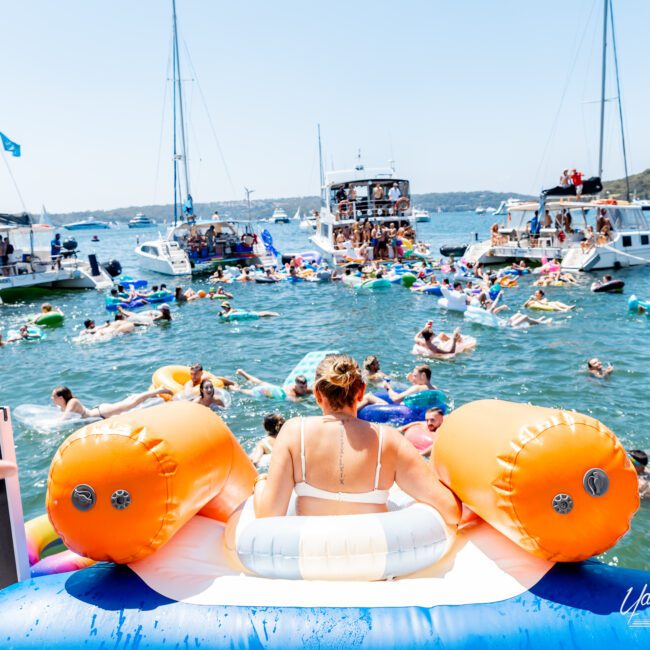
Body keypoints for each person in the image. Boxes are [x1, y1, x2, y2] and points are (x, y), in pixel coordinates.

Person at [252, 354, 461, 525]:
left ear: (317, 394)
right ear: (361, 392)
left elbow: (268, 518)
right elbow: (450, 511)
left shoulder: (292, 432)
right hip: (377, 565)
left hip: (312, 560)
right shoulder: (390, 440)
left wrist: (261, 481)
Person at [51, 385, 172, 420]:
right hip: (98, 410)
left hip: (101, 413)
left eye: (53, 396)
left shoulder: (72, 402)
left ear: (61, 398)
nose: (52, 398)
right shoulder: (64, 406)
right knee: (127, 402)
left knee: (130, 404)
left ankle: (158, 390)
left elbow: (64, 419)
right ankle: (151, 393)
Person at [235, 368, 312, 401]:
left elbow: (313, 389)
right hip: (266, 392)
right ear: (295, 386)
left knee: (260, 382)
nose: (304, 389)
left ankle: (242, 373)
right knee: (247, 391)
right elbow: (297, 401)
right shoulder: (291, 393)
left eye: (305, 386)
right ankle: (232, 387)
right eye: (301, 387)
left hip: (275, 389)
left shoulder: (305, 388)